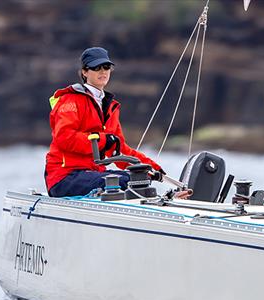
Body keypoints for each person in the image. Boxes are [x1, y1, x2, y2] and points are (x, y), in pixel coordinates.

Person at [45, 47, 182, 198]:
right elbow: (65, 138)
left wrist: (151, 169)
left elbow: (120, 149)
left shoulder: (111, 106)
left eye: (106, 67)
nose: (103, 71)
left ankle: (168, 200)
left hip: (92, 174)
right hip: (64, 177)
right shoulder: (70, 100)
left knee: (139, 179)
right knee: (124, 181)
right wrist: (103, 140)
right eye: (96, 67)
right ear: (84, 72)